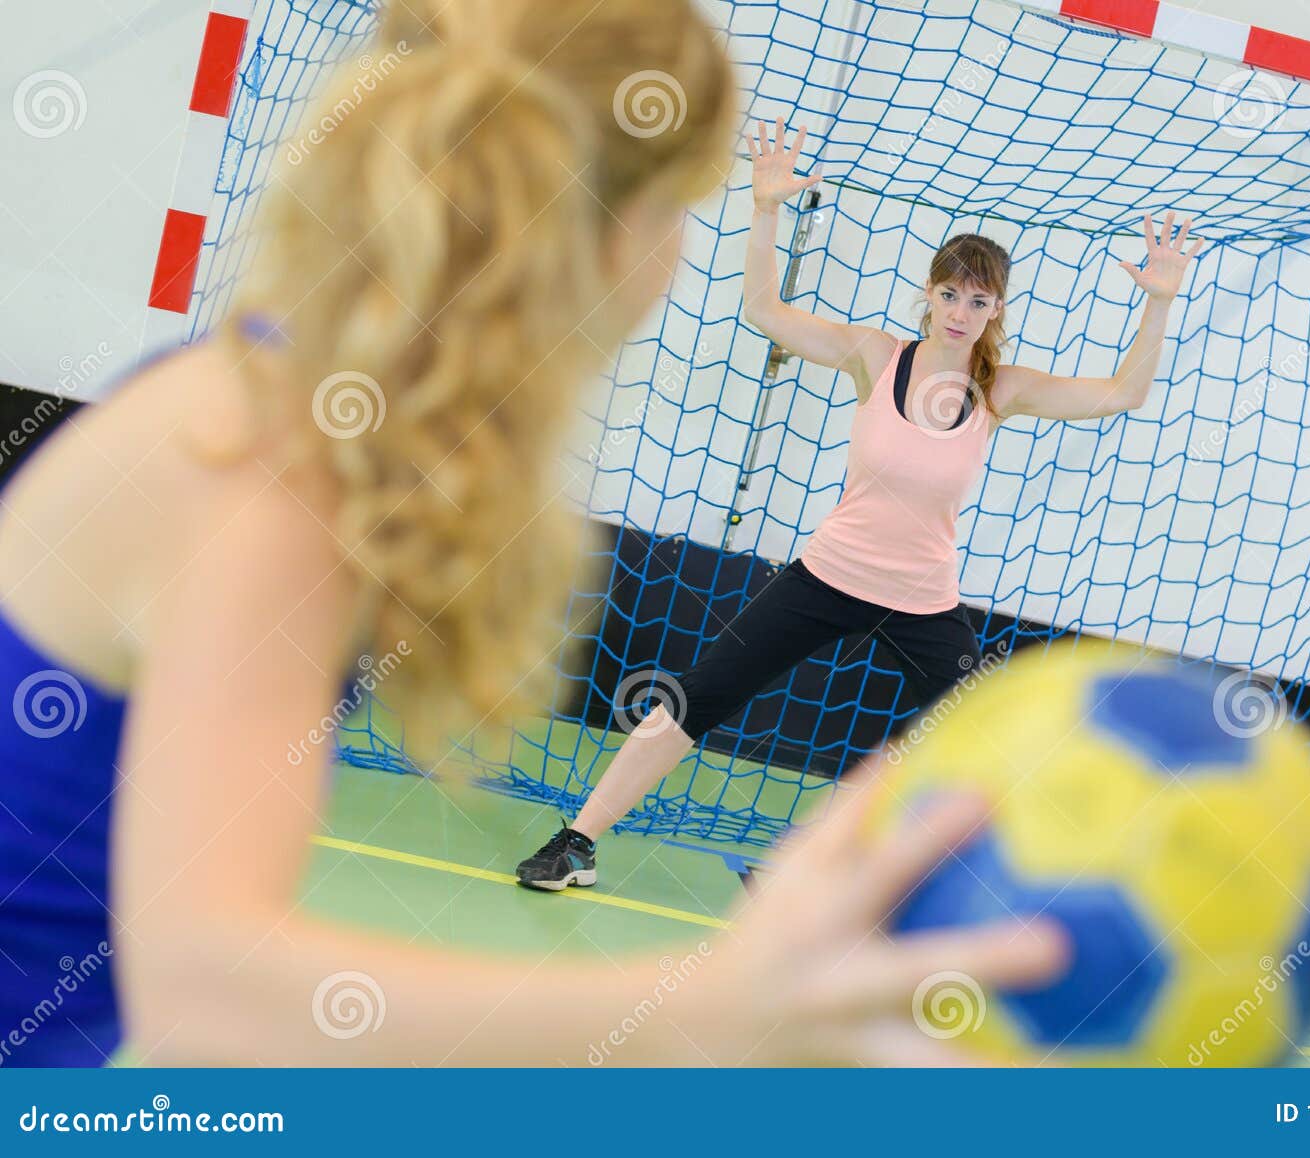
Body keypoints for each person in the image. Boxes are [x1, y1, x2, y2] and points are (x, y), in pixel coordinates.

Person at [0, 2, 1065, 1067]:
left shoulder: (334, 416)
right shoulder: (282, 468)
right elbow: (206, 992)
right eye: (685, 206)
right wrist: (710, 1013)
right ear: (613, 227)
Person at [518, 118, 1206, 891]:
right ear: (930, 293)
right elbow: (767, 312)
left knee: (974, 744)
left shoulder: (999, 389)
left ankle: (827, 875)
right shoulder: (877, 356)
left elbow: (1124, 393)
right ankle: (577, 842)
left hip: (921, 602)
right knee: (693, 697)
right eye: (949, 292)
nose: (959, 309)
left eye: (978, 300)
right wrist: (768, 206)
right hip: (828, 576)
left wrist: (1159, 303)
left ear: (995, 310)